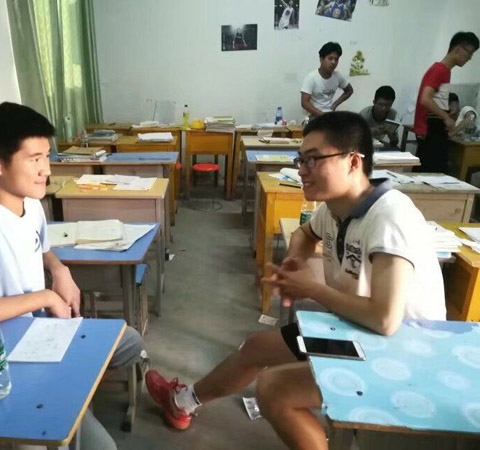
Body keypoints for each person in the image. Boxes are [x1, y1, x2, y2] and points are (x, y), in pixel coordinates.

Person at [144, 112, 446, 450]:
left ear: (353, 161)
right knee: (256, 348)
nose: (302, 169)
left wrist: (312, 288)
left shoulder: (391, 216)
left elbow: (385, 319)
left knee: (274, 389)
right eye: (301, 160)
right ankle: (182, 403)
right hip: (354, 331)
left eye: (313, 160)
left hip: (400, 356)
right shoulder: (334, 208)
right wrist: (295, 262)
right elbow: (305, 234)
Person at [0, 102, 143, 450]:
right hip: (0, 351)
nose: (46, 169)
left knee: (130, 343)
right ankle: (58, 393)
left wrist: (59, 269)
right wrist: (46, 297)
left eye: (47, 156)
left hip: (40, 331)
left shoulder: (30, 203)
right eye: (34, 159)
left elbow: (41, 246)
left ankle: (68, 384)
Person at [413, 31, 479, 173]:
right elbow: (425, 98)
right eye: (469, 53)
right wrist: (446, 117)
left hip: (432, 132)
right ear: (458, 49)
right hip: (430, 133)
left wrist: (448, 110)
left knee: (427, 174)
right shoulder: (440, 70)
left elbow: (433, 100)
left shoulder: (444, 71)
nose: (469, 58)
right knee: (435, 176)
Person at [301, 42, 353, 118]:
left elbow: (349, 90)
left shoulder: (337, 76)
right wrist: (322, 115)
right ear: (321, 59)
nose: (333, 62)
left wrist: (334, 105)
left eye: (336, 59)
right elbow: (304, 103)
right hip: (313, 115)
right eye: (330, 58)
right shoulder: (311, 77)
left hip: (329, 114)